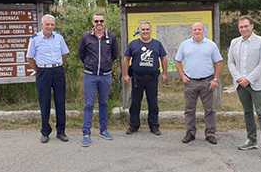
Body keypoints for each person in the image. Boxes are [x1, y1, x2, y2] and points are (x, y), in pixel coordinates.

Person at [227, 16, 261, 160]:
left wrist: (249, 79)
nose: (243, 29)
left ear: (252, 26)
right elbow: (231, 63)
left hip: (257, 84)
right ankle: (251, 140)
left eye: (246, 26)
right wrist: (239, 78)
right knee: (247, 112)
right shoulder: (234, 42)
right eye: (241, 27)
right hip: (241, 84)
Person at [174, 22, 223, 144]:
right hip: (190, 82)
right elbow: (177, 61)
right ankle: (190, 133)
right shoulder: (184, 45)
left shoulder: (211, 45)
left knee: (209, 109)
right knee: (189, 109)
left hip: (207, 81)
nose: (197, 31)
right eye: (195, 29)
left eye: (199, 29)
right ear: (192, 31)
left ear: (203, 30)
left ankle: (210, 134)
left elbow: (219, 62)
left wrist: (215, 79)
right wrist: (182, 76)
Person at [27, 14, 70, 143]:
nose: (50, 27)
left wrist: (58, 65)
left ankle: (61, 131)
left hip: (58, 71)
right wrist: (38, 70)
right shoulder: (35, 39)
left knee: (60, 102)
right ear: (42, 25)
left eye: (52, 24)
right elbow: (29, 58)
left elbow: (64, 54)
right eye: (47, 24)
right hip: (43, 72)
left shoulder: (59, 38)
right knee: (44, 102)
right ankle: (45, 131)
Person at [78, 13, 118, 147]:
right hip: (90, 75)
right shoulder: (86, 37)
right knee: (89, 104)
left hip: (105, 75)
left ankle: (103, 130)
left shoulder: (111, 37)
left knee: (104, 103)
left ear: (104, 22)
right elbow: (81, 55)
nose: (99, 23)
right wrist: (90, 64)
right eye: (96, 21)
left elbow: (114, 55)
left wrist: (106, 64)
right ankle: (86, 133)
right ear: (92, 22)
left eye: (101, 21)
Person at [123, 21, 168, 136]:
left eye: (147, 29)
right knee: (135, 103)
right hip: (137, 78)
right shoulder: (133, 44)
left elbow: (164, 58)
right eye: (143, 29)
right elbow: (126, 59)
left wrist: (164, 73)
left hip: (152, 79)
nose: (145, 31)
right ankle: (133, 125)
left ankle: (154, 126)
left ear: (150, 30)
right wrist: (125, 75)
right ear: (139, 31)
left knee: (153, 103)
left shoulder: (157, 44)